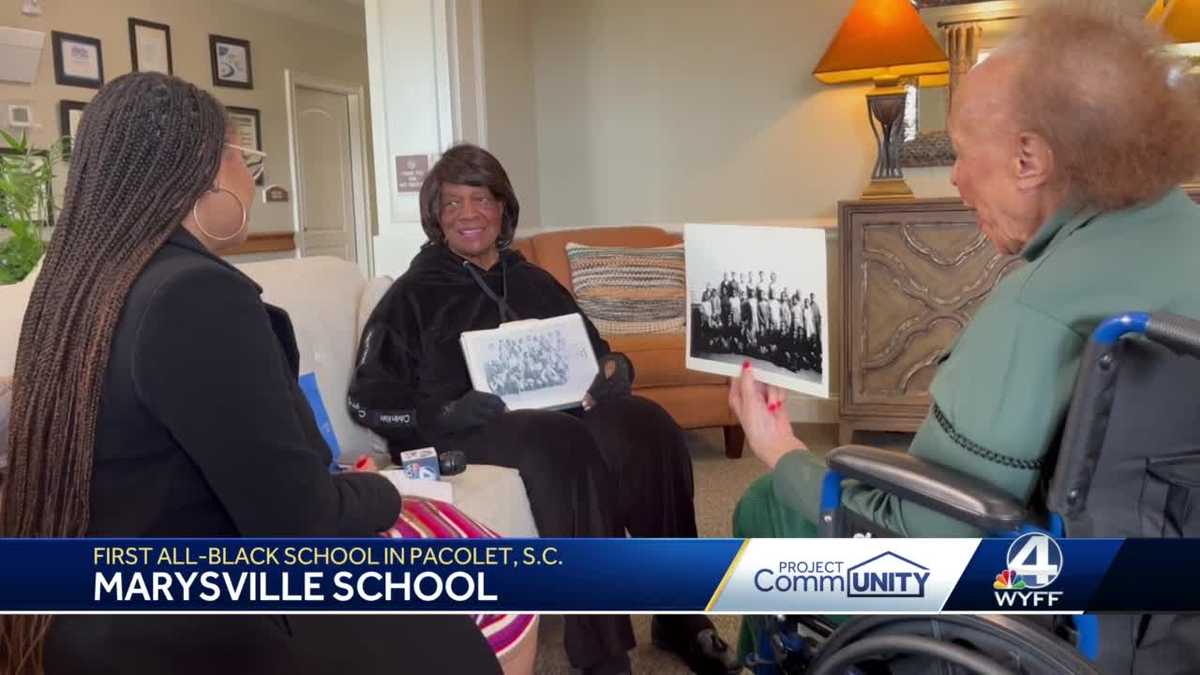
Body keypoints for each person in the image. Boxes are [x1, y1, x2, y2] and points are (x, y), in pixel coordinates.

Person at [728, 3, 1200, 660]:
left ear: (1028, 157)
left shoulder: (1039, 308)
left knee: (762, 506)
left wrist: (779, 446)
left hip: (1027, 611)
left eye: (958, 150)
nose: (953, 174)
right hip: (1165, 612)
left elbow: (925, 534)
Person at [0, 73, 500, 675]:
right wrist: (389, 491)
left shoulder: (73, 292)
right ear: (206, 174)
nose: (252, 181)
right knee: (494, 602)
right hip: (198, 627)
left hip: (85, 615)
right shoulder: (196, 296)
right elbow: (302, 524)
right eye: (246, 159)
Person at [347, 143, 738, 675]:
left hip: (558, 412)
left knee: (649, 425)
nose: (468, 214)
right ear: (435, 217)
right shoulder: (412, 294)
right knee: (560, 441)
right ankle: (602, 653)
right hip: (461, 426)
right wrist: (445, 414)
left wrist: (615, 371)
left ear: (503, 209)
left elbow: (596, 353)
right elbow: (366, 399)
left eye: (481, 200)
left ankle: (681, 613)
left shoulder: (532, 279)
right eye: (453, 203)